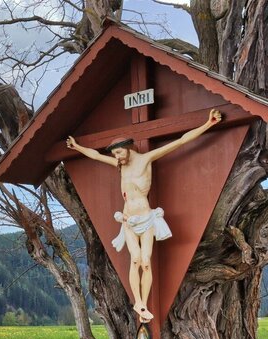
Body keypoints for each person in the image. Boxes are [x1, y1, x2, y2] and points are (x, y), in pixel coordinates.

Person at [66, 109, 222, 322]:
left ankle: (144, 303)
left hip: (147, 218)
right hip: (129, 221)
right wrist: (76, 147)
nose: (117, 157)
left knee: (146, 261)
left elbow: (180, 141)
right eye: (115, 155)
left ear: (128, 149)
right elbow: (96, 155)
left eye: (119, 153)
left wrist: (208, 124)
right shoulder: (119, 166)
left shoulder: (146, 159)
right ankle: (138, 303)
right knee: (136, 259)